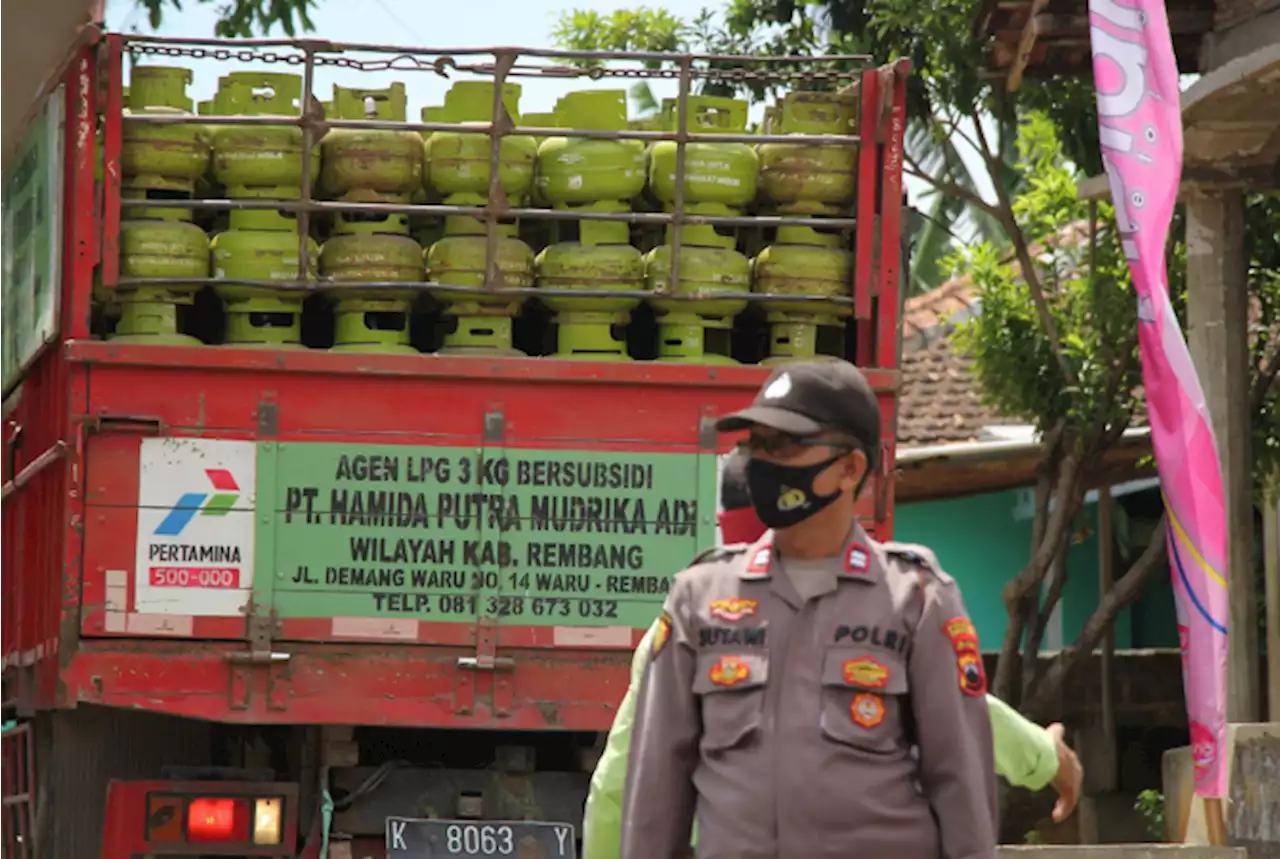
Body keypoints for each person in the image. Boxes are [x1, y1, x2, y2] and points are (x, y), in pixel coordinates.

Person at [584, 447, 1083, 859]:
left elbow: (619, 785)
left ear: (720, 524)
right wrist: (1046, 757)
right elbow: (965, 714)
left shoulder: (682, 627)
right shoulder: (871, 605)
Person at [620, 358, 998, 859]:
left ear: (849, 468)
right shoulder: (699, 598)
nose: (761, 461)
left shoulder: (916, 599)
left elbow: (961, 783)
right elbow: (655, 787)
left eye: (786, 445)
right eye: (756, 444)